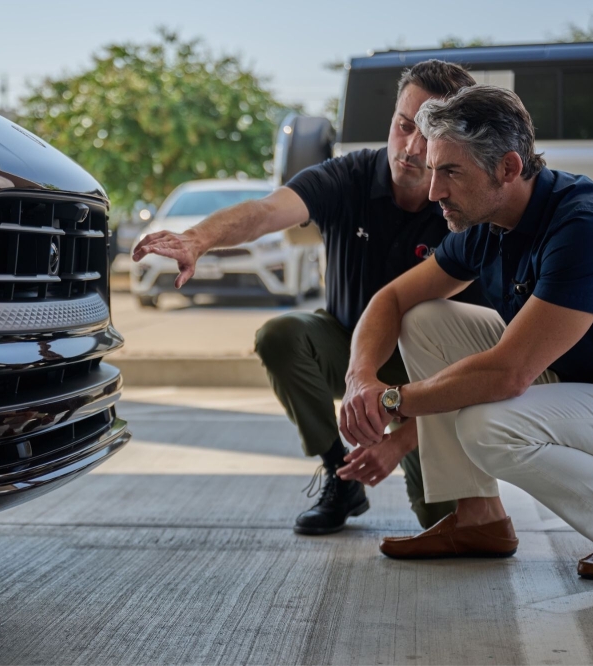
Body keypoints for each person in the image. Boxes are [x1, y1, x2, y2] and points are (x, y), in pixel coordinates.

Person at [338, 84, 593, 578]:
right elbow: (391, 299)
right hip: (579, 387)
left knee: (486, 428)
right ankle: (479, 520)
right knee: (424, 318)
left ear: (509, 168)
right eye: (433, 170)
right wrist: (360, 379)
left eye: (450, 171)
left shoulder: (585, 226)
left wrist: (391, 401)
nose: (434, 192)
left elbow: (509, 374)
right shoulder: (484, 219)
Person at [132, 60, 482, 535]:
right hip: (347, 348)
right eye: (404, 126)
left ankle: (412, 470)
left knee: (449, 529)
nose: (412, 148)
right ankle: (342, 478)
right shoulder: (349, 176)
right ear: (392, 119)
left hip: (428, 378)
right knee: (281, 334)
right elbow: (264, 210)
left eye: (429, 133)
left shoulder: (464, 208)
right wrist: (197, 239)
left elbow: (480, 369)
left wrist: (396, 444)